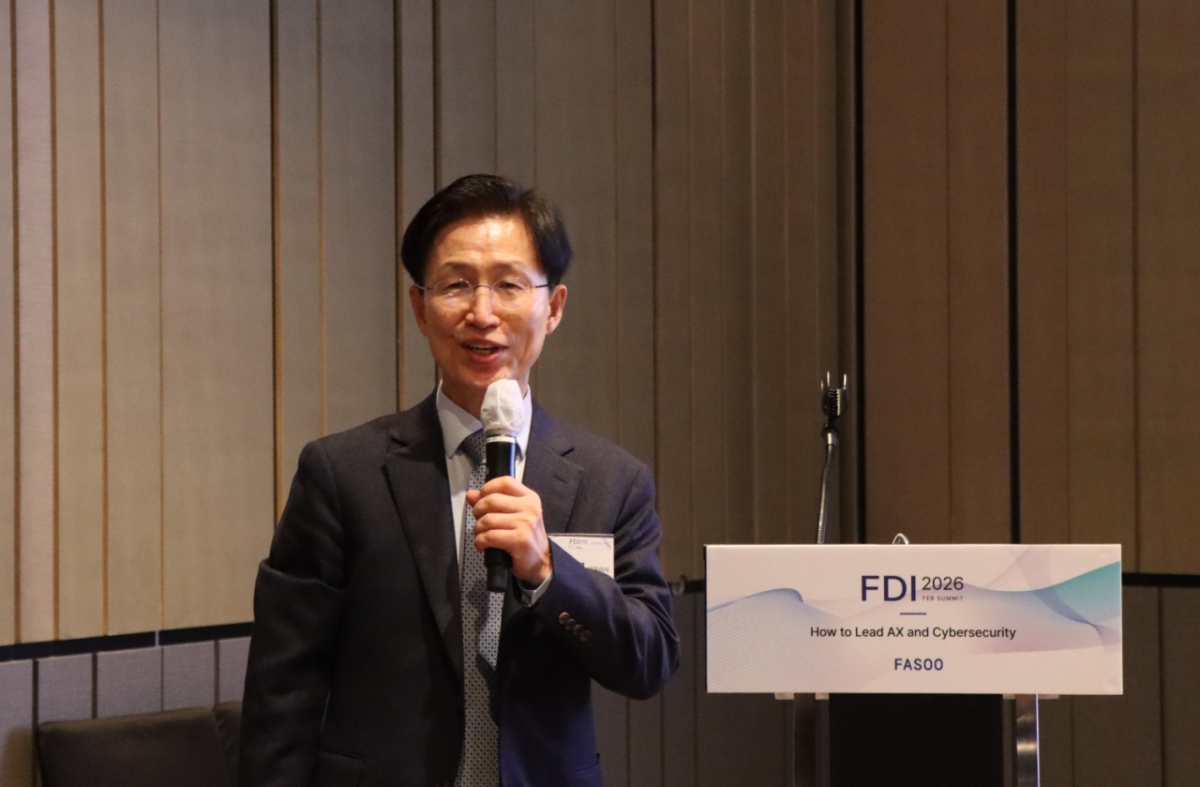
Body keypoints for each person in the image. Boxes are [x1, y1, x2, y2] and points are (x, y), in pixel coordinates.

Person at [239, 174, 680, 787]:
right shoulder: (342, 474)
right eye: (456, 285)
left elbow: (648, 662)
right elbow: (282, 690)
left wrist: (548, 570)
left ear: (553, 307)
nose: (482, 314)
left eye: (508, 285)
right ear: (421, 308)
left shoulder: (613, 480)